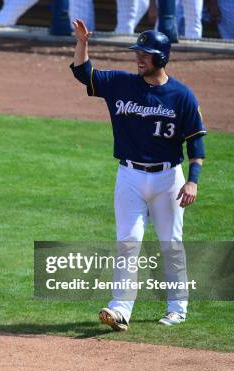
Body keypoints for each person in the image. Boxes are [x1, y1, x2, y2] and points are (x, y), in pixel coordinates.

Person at [69, 20, 207, 330]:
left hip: (168, 179)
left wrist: (193, 179)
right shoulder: (121, 84)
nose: (138, 57)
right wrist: (82, 43)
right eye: (138, 52)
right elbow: (83, 73)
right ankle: (120, 309)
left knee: (171, 242)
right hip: (129, 177)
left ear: (161, 57)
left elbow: (196, 144)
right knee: (128, 241)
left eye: (145, 53)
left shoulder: (182, 96)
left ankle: (177, 307)